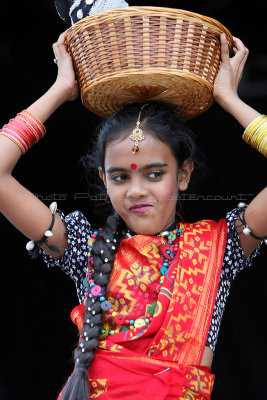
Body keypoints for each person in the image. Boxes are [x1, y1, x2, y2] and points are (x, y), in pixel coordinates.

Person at [0, 25, 266, 400]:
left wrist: (228, 98)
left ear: (184, 174)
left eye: (155, 174)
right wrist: (59, 91)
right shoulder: (83, 249)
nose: (137, 190)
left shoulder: (222, 248)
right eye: (120, 176)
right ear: (103, 180)